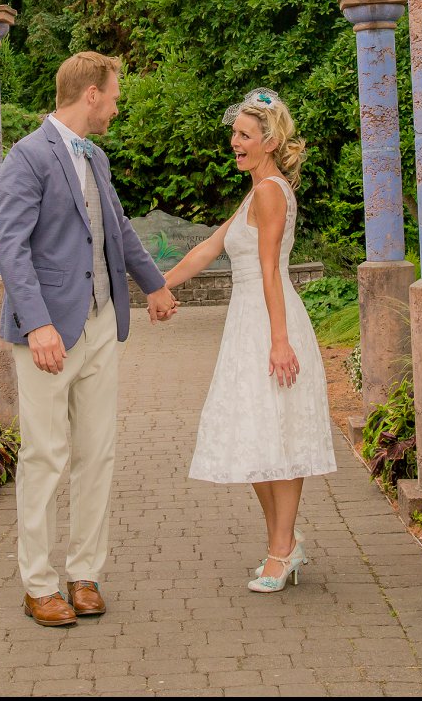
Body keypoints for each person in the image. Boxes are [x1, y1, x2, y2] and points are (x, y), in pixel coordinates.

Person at [0, 51, 180, 627]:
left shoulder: (95, 157)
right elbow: (12, 248)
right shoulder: (26, 156)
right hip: (48, 333)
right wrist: (38, 323)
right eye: (115, 93)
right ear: (91, 93)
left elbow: (117, 230)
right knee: (46, 456)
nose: (118, 104)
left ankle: (84, 574)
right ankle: (38, 584)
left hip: (102, 325)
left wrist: (154, 286)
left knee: (96, 453)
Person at [161, 88, 336, 592]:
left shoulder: (270, 191)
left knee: (278, 434)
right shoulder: (254, 190)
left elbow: (269, 271)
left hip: (268, 322)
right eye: (234, 134)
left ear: (270, 140)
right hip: (246, 324)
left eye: (243, 135)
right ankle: (283, 544)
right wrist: (160, 286)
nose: (234, 142)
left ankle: (281, 551)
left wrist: (279, 342)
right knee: (254, 436)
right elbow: (208, 250)